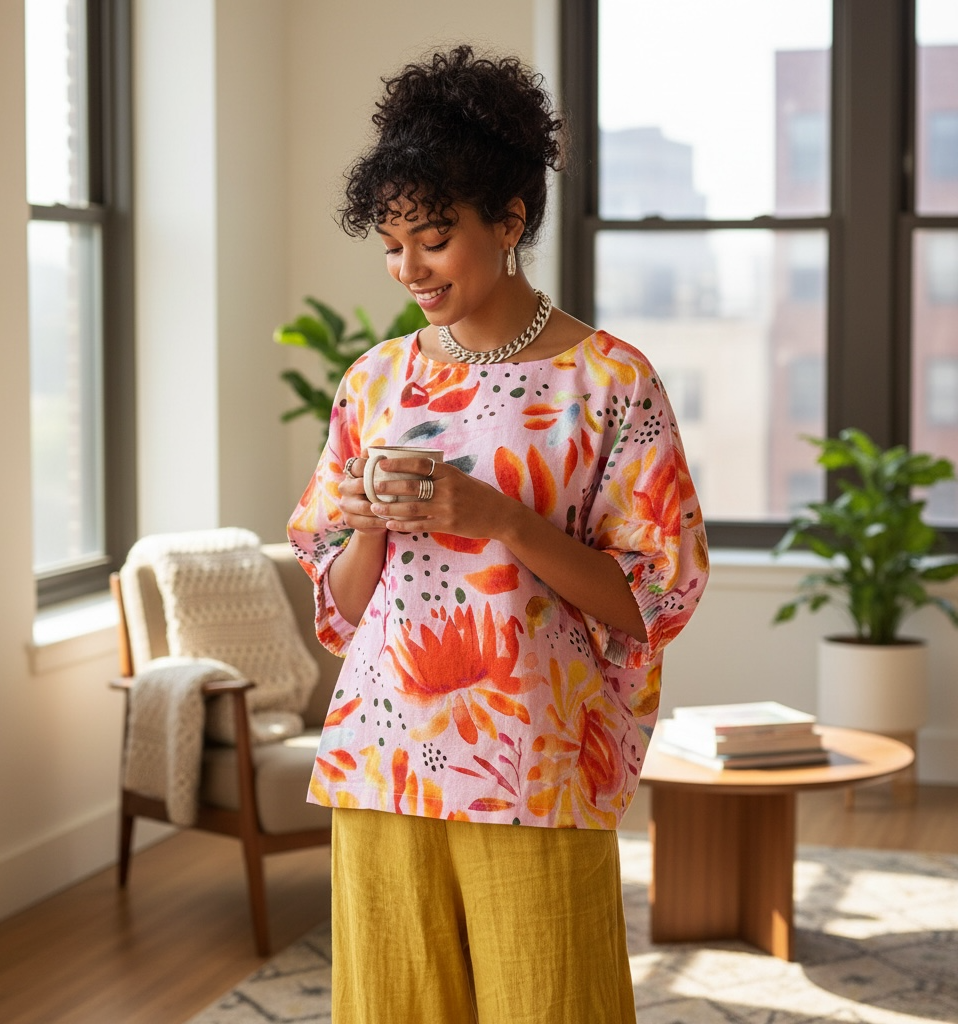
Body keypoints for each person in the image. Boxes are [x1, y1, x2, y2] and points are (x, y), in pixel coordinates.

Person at [287, 44, 709, 1024]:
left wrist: (503, 521)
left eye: (432, 238)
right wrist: (359, 526)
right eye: (391, 244)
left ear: (509, 220)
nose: (408, 269)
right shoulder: (376, 380)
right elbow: (344, 612)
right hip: (381, 757)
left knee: (549, 1005)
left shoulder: (609, 381)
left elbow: (651, 598)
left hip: (535, 759)